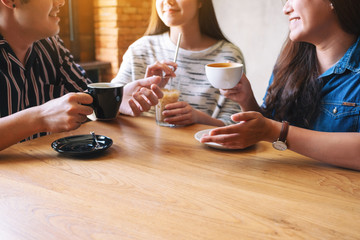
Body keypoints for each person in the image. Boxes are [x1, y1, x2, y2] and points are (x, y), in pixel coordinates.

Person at [201, 0, 360, 170]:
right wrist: (247, 101)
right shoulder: (291, 62)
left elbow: (274, 131)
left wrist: (277, 132)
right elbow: (271, 127)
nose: (286, 9)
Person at [0, 0, 164, 151]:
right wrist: (40, 118)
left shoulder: (51, 46)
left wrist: (116, 99)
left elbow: (85, 100)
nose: (61, 2)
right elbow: (47, 115)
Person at [112, 0, 245, 126]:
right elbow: (102, 110)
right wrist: (120, 102)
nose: (168, 1)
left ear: (200, 2)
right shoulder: (139, 50)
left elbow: (235, 124)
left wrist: (198, 118)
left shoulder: (228, 56)